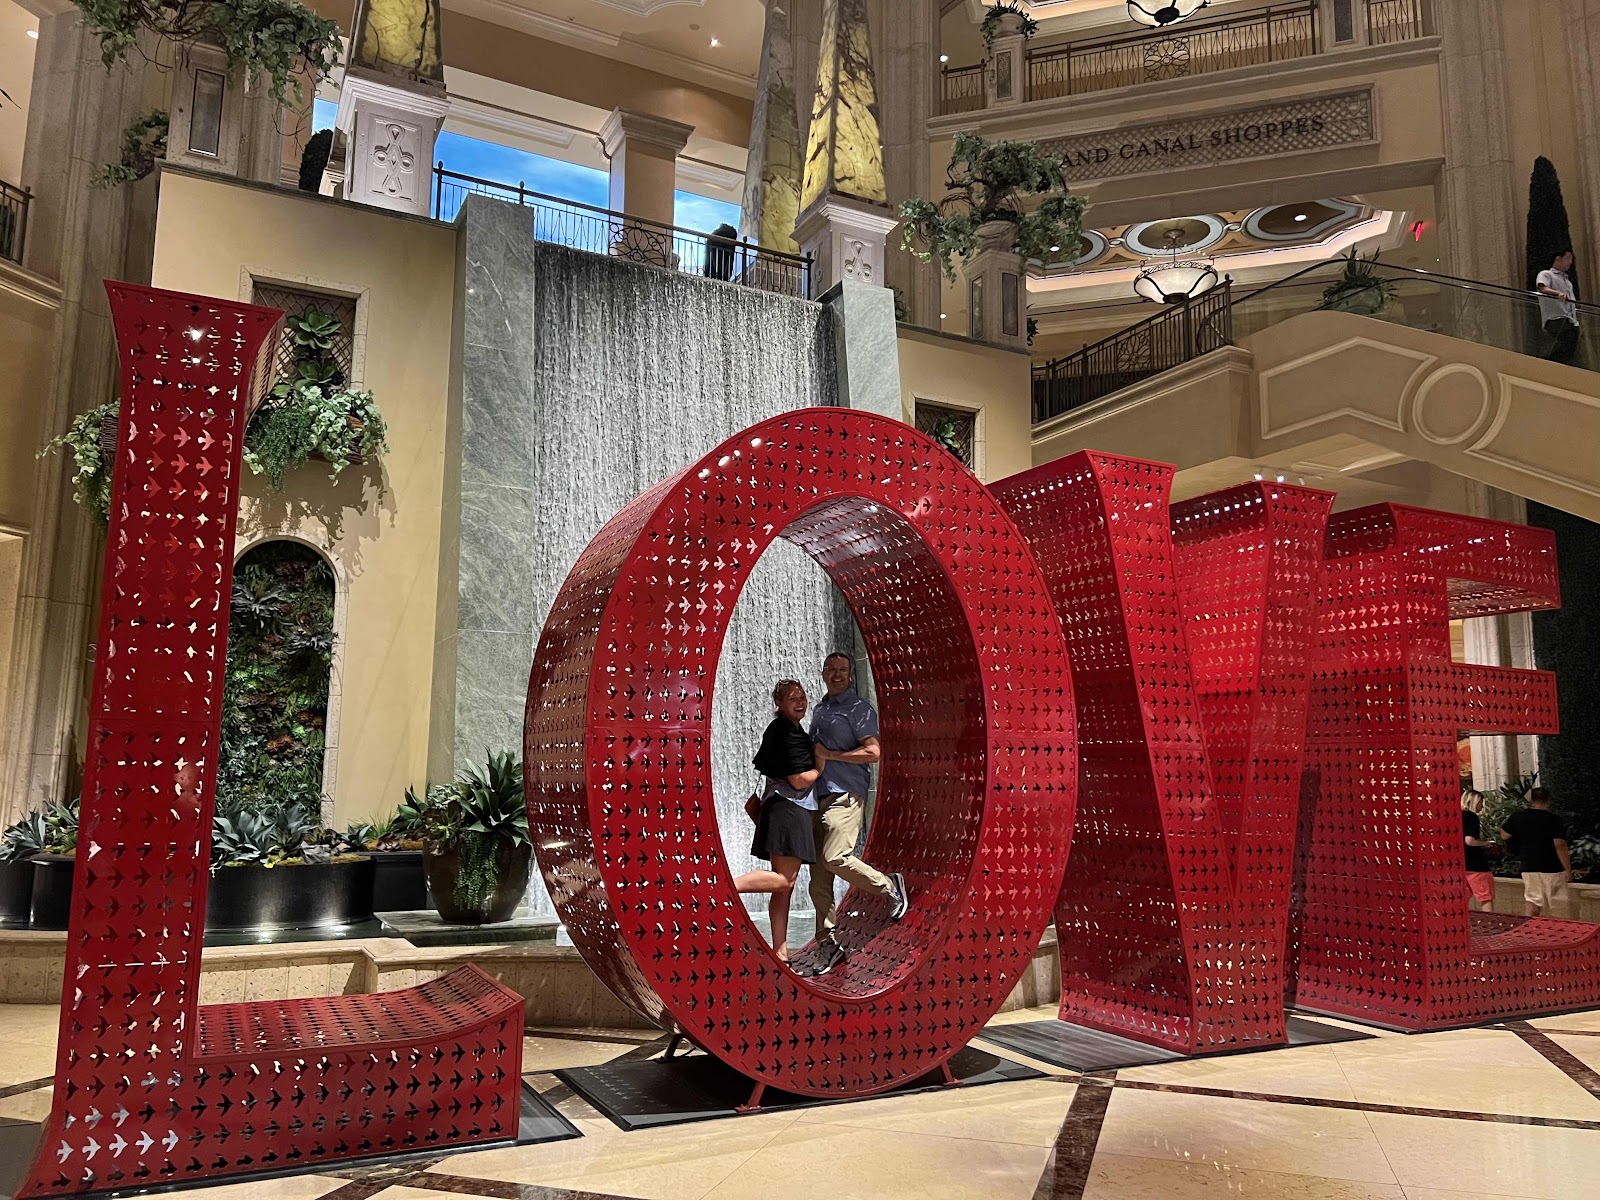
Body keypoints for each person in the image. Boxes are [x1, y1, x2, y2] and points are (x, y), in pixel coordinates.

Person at [804, 652, 909, 977]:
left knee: (835, 857)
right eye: (831, 670)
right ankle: (828, 944)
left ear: (851, 676)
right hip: (817, 797)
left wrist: (831, 755)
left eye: (842, 670)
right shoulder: (820, 709)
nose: (836, 675)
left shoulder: (858, 708)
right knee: (818, 881)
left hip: (845, 795)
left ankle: (889, 886)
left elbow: (873, 752)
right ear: (823, 673)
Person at [734, 679, 819, 964]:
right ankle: (727, 886)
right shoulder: (786, 732)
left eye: (802, 697)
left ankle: (781, 951)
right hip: (789, 809)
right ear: (779, 704)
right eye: (792, 698)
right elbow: (798, 780)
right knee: (784, 880)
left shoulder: (786, 729)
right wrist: (821, 766)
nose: (800, 702)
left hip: (780, 808)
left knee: (785, 886)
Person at [1500, 786, 1573, 917]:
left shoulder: (1518, 817)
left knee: (1532, 901)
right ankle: (1559, 929)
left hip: (1529, 866)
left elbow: (1504, 834)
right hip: (1552, 867)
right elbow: (1560, 845)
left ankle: (1528, 928)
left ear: (1531, 800)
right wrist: (1567, 869)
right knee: (1558, 905)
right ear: (1548, 800)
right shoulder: (1553, 819)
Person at [1535, 248, 1581, 364]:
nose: (1570, 262)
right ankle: (1546, 361)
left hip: (1570, 320)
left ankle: (1556, 364)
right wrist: (1557, 293)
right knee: (1565, 340)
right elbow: (1542, 288)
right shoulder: (1546, 274)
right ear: (1558, 259)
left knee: (1570, 346)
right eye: (1568, 258)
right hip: (1555, 318)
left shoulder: (1567, 281)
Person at [1461, 792, 1497, 911]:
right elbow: (1469, 840)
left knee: (1463, 897)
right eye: (1481, 802)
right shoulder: (1472, 817)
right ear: (1474, 802)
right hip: (1476, 864)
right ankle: (1489, 921)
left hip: (1460, 863)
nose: (1482, 806)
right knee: (1485, 897)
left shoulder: (1455, 816)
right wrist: (1486, 843)